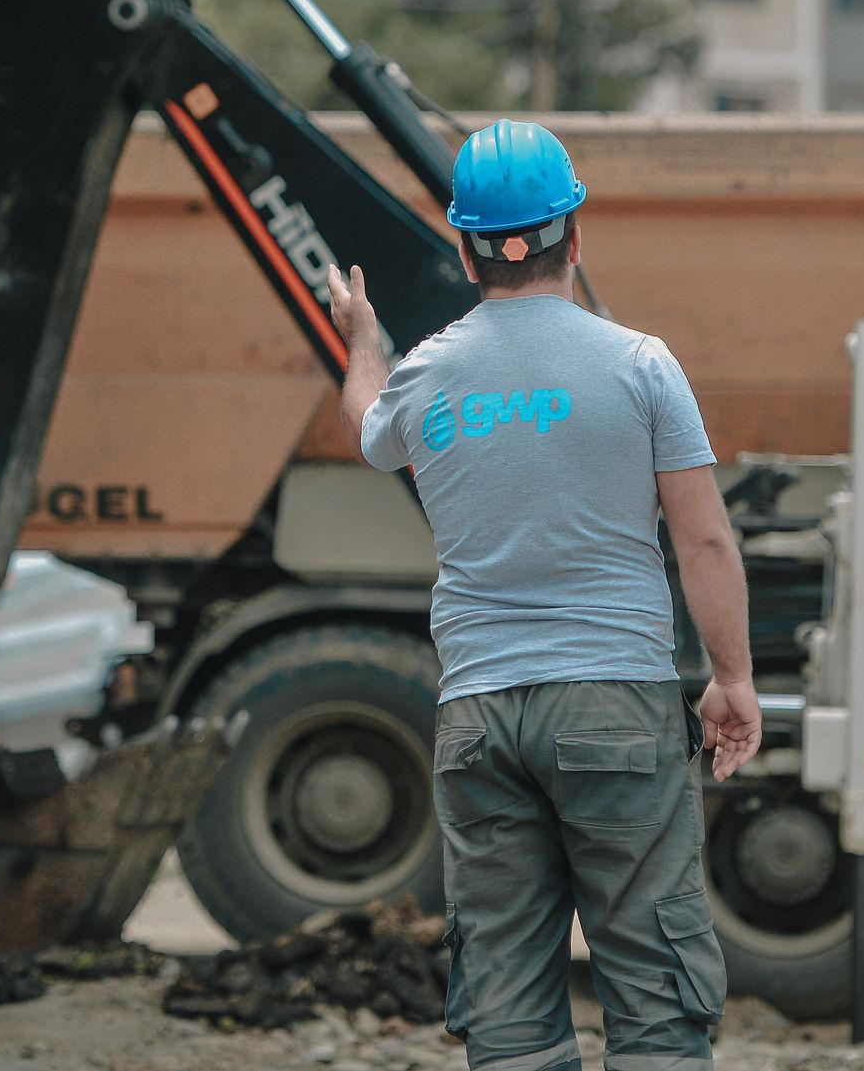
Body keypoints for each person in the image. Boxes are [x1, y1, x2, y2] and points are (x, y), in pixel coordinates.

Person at [325, 119, 761, 1071]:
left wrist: (363, 339)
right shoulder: (641, 365)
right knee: (655, 996)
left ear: (463, 245)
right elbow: (703, 536)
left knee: (509, 1008)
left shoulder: (428, 374)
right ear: (576, 231)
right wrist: (731, 676)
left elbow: (367, 424)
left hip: (479, 717)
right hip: (616, 705)